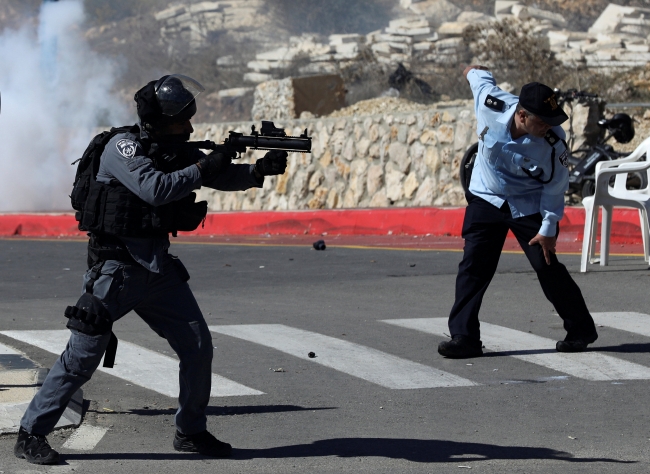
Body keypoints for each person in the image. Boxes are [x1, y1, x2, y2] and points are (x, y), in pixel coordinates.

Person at [14, 74, 288, 465]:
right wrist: (209, 163)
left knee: (197, 348)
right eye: (181, 122)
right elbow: (156, 188)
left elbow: (216, 174)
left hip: (158, 269)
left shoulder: (171, 148)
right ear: (156, 121)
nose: (189, 128)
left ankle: (190, 431)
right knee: (82, 356)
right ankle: (31, 434)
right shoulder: (121, 147)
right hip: (116, 271)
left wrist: (257, 172)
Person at [438, 65, 598, 359]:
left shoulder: (554, 142)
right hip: (487, 196)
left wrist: (549, 227)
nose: (549, 126)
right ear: (522, 116)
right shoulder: (490, 105)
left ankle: (581, 329)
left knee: (546, 266)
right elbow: (479, 77)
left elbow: (554, 187)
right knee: (474, 266)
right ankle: (465, 337)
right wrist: (471, 69)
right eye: (543, 121)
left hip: (527, 204)